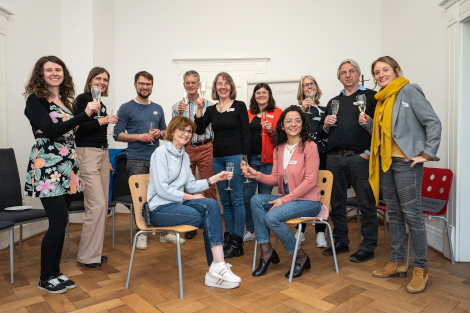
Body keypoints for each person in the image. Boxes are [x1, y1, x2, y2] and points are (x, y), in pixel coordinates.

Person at [360, 56, 441, 294]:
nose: (381, 74)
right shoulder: (382, 99)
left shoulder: (409, 90)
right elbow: (388, 133)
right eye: (376, 72)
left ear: (396, 70)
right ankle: (396, 262)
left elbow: (433, 123)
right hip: (386, 162)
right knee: (393, 214)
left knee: (412, 215)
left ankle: (421, 268)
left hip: (406, 163)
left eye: (385, 70)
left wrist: (426, 154)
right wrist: (369, 124)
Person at [23, 56, 100, 293]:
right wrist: (85, 114)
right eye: (49, 70)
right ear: (41, 73)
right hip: (47, 165)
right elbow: (52, 130)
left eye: (58, 69)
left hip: (68, 165)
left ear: (63, 74)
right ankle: (45, 277)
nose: (54, 73)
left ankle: (55, 272)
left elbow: (72, 132)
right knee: (57, 221)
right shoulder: (35, 100)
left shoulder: (64, 101)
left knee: (62, 221)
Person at [148, 115, 241, 289]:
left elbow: (190, 185)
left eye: (189, 131)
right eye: (182, 129)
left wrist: (214, 178)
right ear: (172, 131)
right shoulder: (160, 153)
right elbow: (162, 189)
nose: (186, 134)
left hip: (177, 205)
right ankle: (216, 267)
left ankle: (217, 265)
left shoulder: (184, 155)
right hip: (160, 209)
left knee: (212, 205)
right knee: (208, 217)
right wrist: (191, 198)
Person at [244, 105, 322, 278]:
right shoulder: (279, 148)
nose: (293, 124)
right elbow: (274, 178)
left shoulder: (309, 146)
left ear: (303, 124)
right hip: (288, 199)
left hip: (308, 201)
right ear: (282, 125)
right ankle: (266, 251)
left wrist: (284, 200)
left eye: (297, 120)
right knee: (255, 200)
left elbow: (310, 182)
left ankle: (300, 256)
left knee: (272, 217)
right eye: (288, 120)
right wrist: (256, 174)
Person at [318, 59, 378, 263]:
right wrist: (325, 125)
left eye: (352, 71)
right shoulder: (334, 102)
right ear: (339, 77)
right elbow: (321, 134)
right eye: (343, 72)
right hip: (334, 159)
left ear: (358, 74)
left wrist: (368, 152)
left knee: (366, 203)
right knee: (336, 203)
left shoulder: (371, 96)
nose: (348, 75)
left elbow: (380, 128)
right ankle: (341, 242)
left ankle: (368, 246)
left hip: (359, 158)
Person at [114, 71, 180, 249]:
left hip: (158, 160)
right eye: (141, 83)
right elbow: (117, 135)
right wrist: (139, 137)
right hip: (136, 159)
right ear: (135, 85)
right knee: (140, 198)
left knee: (163, 195)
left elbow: (167, 133)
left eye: (148, 84)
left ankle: (165, 233)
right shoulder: (126, 107)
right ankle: (141, 233)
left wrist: (161, 133)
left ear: (152, 86)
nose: (145, 87)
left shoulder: (157, 107)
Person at [194, 72, 250, 259]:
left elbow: (246, 133)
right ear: (215, 87)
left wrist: (244, 159)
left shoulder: (240, 106)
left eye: (226, 83)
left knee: (236, 200)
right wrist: (200, 110)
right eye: (220, 83)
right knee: (224, 200)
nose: (223, 86)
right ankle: (229, 238)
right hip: (217, 158)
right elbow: (200, 129)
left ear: (231, 86)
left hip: (235, 157)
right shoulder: (211, 109)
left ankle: (238, 241)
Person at [73, 67, 118, 270]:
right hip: (87, 154)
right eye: (98, 78)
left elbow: (100, 134)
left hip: (101, 155)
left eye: (105, 79)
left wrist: (107, 158)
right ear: (90, 80)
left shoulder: (102, 104)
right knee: (96, 204)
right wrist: (103, 120)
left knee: (102, 206)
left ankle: (95, 253)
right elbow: (77, 129)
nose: (102, 82)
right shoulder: (83, 100)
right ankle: (86, 256)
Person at [172, 70, 216, 240]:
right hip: (186, 149)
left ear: (199, 85)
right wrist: (179, 114)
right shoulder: (177, 106)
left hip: (206, 147)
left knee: (209, 186)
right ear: (184, 85)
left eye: (194, 83)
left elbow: (213, 128)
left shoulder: (210, 105)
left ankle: (210, 222)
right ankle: (189, 222)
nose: (190, 85)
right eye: (187, 83)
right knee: (185, 186)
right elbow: (173, 131)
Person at [243, 83, 282, 242]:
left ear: (269, 94)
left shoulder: (278, 112)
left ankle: (263, 230)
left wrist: (271, 130)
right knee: (247, 197)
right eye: (258, 92)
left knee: (264, 198)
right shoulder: (247, 114)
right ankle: (251, 229)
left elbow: (282, 138)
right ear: (254, 96)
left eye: (264, 92)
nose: (261, 95)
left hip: (269, 162)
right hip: (250, 161)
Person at [296, 75, 328, 248]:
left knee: (321, 194)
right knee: (301, 193)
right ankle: (299, 231)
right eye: (305, 85)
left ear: (316, 86)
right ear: (301, 90)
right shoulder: (296, 109)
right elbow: (291, 130)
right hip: (301, 157)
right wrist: (302, 109)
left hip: (322, 155)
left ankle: (320, 233)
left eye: (311, 83)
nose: (309, 87)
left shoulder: (326, 108)